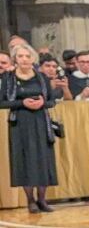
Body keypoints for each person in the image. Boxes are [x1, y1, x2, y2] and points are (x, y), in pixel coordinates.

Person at [2, 43, 59, 213]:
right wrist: (22, 103)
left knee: (43, 159)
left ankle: (42, 199)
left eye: (28, 56)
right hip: (20, 123)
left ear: (33, 59)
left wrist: (42, 103)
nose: (25, 59)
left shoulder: (42, 77)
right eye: (20, 56)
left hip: (41, 121)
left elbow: (51, 101)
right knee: (25, 160)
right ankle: (30, 200)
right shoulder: (8, 78)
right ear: (15, 60)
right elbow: (2, 102)